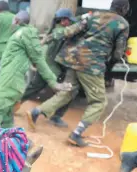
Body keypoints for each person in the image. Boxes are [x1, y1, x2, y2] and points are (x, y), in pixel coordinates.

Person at [26, 0, 130, 147]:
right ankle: (76, 134)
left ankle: (36, 112)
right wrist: (114, 60)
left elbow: (71, 30)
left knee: (68, 92)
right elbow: (118, 52)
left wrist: (50, 37)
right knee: (99, 102)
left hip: (74, 58)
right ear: (124, 9)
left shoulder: (94, 15)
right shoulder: (122, 24)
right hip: (92, 64)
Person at [0, 10, 75, 128]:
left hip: (9, 83)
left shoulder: (26, 32)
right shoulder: (18, 34)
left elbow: (38, 60)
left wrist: (54, 82)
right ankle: (20, 143)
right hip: (7, 81)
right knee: (6, 120)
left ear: (17, 21)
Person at [14, 8, 78, 128]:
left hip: (46, 67)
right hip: (54, 70)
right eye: (69, 20)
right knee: (67, 93)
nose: (70, 23)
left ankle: (15, 104)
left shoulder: (54, 30)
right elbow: (69, 32)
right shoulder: (60, 31)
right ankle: (55, 116)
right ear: (63, 20)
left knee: (34, 87)